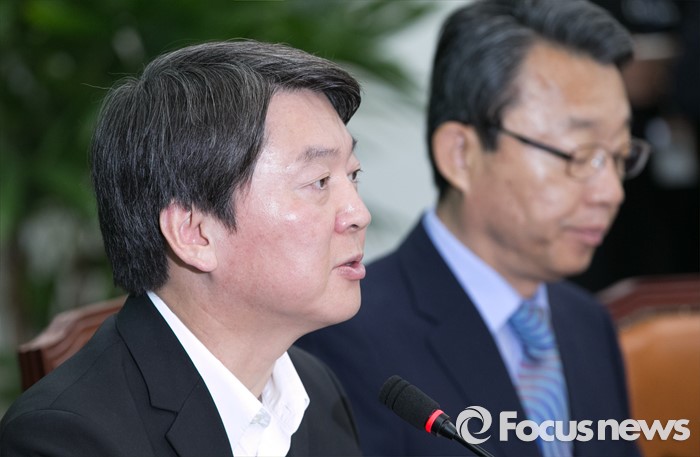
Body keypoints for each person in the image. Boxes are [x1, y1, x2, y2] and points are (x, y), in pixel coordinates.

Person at [298, 0, 649, 456]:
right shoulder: (343, 338)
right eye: (581, 154)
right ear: (461, 154)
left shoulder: (587, 323)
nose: (611, 192)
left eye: (619, 156)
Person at [0, 40, 370, 457]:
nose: (359, 214)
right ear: (194, 234)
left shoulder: (316, 392)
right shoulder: (64, 439)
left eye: (353, 175)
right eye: (319, 182)